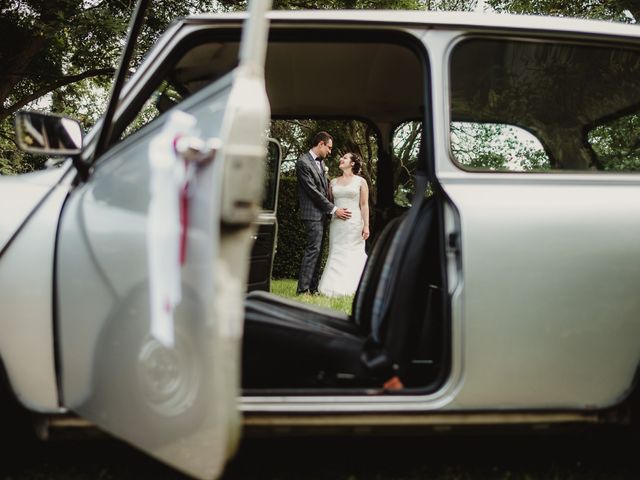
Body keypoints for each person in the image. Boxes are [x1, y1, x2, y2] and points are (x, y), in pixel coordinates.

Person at [296, 131, 351, 295]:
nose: (330, 151)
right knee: (313, 250)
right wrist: (334, 209)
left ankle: (313, 288)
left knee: (318, 251)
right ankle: (303, 289)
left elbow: (324, 189)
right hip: (312, 213)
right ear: (320, 144)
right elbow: (313, 192)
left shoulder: (321, 164)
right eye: (329, 147)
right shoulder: (303, 163)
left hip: (322, 214)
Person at [318, 152, 369, 297]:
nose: (341, 159)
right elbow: (329, 203)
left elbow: (364, 205)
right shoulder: (333, 182)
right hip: (337, 223)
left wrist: (366, 226)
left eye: (345, 158)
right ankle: (332, 286)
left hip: (354, 223)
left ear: (352, 163)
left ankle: (355, 286)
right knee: (336, 251)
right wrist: (335, 212)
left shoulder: (360, 181)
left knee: (353, 252)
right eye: (342, 157)